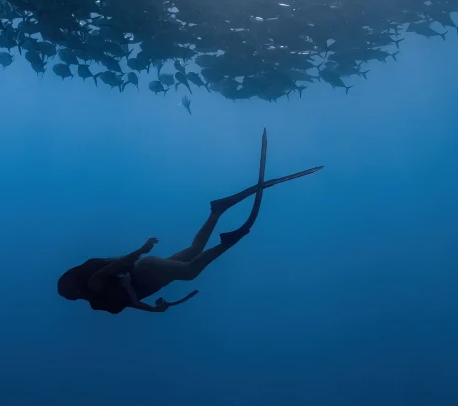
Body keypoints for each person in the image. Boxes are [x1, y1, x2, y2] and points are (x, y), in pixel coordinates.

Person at [57, 130, 321, 314]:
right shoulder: (98, 302)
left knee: (191, 272)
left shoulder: (94, 287)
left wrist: (141, 250)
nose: (69, 296)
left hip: (148, 269)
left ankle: (229, 241)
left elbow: (110, 268)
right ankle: (217, 211)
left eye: (67, 291)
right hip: (152, 274)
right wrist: (158, 309)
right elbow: (135, 305)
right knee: (194, 253)